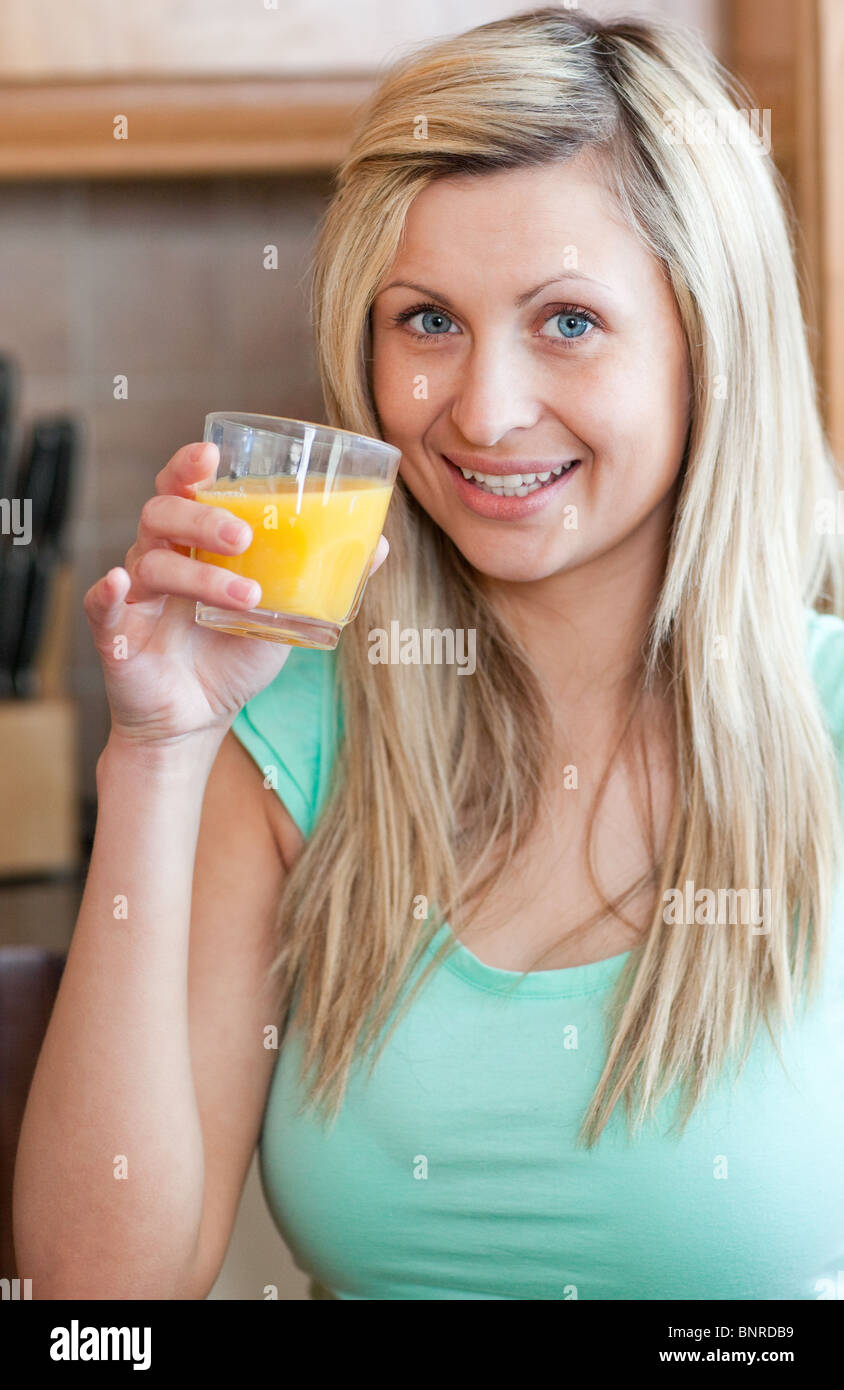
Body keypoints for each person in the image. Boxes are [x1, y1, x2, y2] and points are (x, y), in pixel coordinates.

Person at [13, 5, 844, 1301]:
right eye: (427, 320)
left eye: (568, 321)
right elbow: (96, 1309)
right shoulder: (292, 728)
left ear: (707, 342)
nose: (486, 409)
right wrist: (157, 749)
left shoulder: (830, 728)